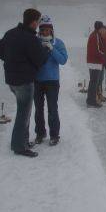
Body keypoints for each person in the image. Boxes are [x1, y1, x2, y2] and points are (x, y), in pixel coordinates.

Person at [0, 8, 49, 158]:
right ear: (33, 22)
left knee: (23, 110)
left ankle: (23, 141)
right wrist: (47, 50)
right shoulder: (30, 39)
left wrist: (10, 60)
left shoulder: (11, 33)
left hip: (11, 81)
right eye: (38, 21)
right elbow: (40, 60)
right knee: (23, 113)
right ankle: (19, 146)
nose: (38, 24)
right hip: (24, 81)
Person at [34, 15, 68, 146]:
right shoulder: (35, 42)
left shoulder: (58, 43)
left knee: (52, 108)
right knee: (38, 109)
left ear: (52, 30)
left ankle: (54, 135)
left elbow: (63, 60)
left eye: (48, 29)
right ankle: (40, 133)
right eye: (43, 29)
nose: (45, 32)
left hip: (52, 81)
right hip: (37, 80)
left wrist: (52, 49)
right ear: (40, 30)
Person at [86, 21, 106, 108]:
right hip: (94, 62)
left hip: (95, 62)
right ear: (99, 28)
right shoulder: (95, 36)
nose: (103, 29)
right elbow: (97, 50)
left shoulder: (97, 35)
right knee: (94, 82)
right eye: (102, 28)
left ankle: (91, 99)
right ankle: (91, 101)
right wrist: (104, 59)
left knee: (94, 82)